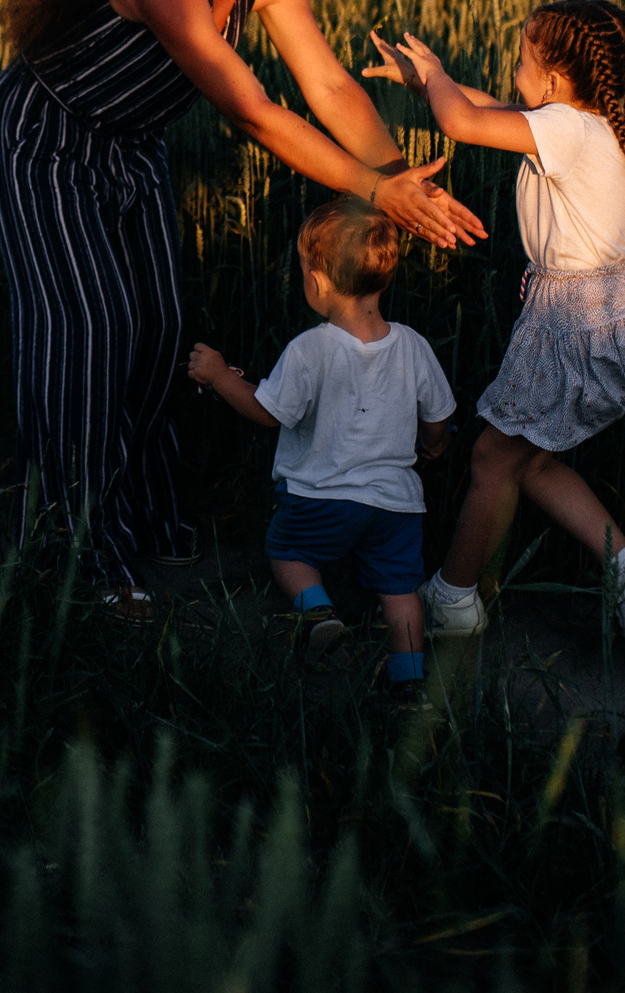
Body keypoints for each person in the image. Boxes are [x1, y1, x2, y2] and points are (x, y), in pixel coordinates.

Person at [0, 0, 485, 619]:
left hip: (131, 143)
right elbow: (253, 111)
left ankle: (140, 512)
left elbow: (327, 89)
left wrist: (399, 182)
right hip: (47, 137)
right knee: (89, 326)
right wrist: (376, 188)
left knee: (161, 324)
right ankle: (76, 545)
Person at [367, 0, 625, 659]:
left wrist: (438, 82)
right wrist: (430, 81)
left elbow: (463, 120)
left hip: (573, 323)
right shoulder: (587, 119)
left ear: (557, 81)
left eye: (521, 59)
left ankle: (452, 599)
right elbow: (491, 113)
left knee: (488, 459)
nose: (513, 70)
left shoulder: (569, 128)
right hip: (597, 313)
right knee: (525, 458)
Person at [186, 198, 452, 691]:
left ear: (318, 282)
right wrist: (433, 447)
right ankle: (409, 680)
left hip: (319, 498)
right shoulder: (413, 345)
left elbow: (267, 411)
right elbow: (439, 415)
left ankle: (320, 614)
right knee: (399, 591)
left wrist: (220, 375)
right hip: (395, 504)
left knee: (287, 551)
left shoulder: (310, 349)